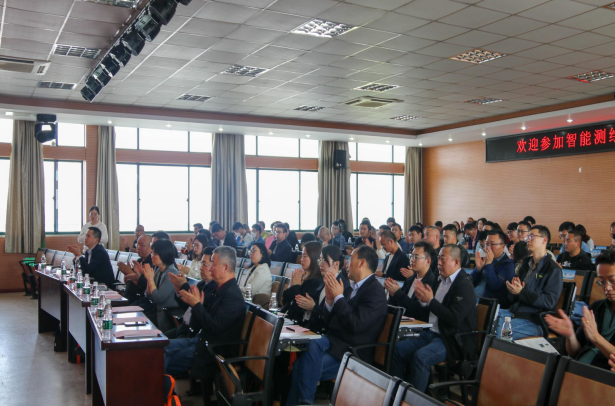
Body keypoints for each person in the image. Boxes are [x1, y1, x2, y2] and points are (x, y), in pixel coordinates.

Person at [286, 246, 388, 406]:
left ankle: (304, 403)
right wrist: (329, 301)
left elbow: (355, 325)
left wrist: (339, 297)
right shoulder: (352, 287)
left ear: (361, 263)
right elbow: (330, 322)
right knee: (310, 344)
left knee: (300, 366)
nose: (347, 263)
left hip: (352, 351)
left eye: (351, 259)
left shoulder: (375, 291)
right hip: (336, 342)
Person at [391, 244, 477, 393]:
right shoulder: (439, 280)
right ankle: (398, 393)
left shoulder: (464, 285)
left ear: (456, 262)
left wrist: (430, 301)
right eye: (439, 258)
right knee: (397, 349)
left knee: (421, 357)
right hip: (431, 333)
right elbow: (431, 309)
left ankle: (413, 400)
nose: (439, 263)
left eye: (443, 259)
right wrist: (424, 301)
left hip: (451, 339)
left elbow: (454, 319)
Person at [166, 246, 245, 406]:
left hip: (213, 350)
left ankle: (161, 397)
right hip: (200, 340)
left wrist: (197, 306)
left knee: (158, 359)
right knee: (160, 347)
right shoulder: (219, 289)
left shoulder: (232, 296)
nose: (210, 268)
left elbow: (214, 326)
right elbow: (198, 324)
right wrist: (196, 306)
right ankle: (164, 396)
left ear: (225, 267)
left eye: (213, 264)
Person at [545, 250, 615, 370]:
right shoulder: (596, 308)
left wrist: (596, 337)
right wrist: (570, 335)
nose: (607, 288)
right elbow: (575, 352)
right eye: (602, 282)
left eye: (612, 280)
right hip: (577, 369)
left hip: (602, 376)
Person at [496, 225, 563, 340]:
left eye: (532, 236)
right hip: (514, 312)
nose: (528, 240)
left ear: (544, 240)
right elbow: (514, 298)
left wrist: (521, 292)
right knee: (484, 321)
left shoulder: (553, 269)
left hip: (533, 320)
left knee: (499, 334)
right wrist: (513, 291)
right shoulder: (526, 265)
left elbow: (549, 301)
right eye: (528, 237)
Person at [296, 245, 350, 334]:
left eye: (324, 260)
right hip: (314, 329)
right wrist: (309, 308)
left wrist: (313, 308)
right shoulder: (324, 280)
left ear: (336, 264)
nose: (320, 264)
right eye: (320, 260)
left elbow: (335, 316)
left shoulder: (343, 286)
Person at [165, 247, 217, 340]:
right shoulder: (201, 284)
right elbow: (186, 308)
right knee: (158, 340)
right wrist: (179, 290)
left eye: (204, 264)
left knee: (160, 345)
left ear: (213, 266)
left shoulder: (215, 289)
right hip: (183, 327)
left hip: (192, 334)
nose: (201, 267)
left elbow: (200, 314)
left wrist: (184, 286)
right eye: (201, 263)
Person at [133, 239, 181, 332]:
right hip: (155, 311)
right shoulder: (159, 270)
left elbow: (158, 298)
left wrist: (150, 279)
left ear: (163, 254)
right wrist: (148, 279)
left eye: (154, 254)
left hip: (165, 317)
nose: (151, 256)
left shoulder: (172, 273)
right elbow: (148, 296)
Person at [385, 241, 436, 321]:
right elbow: (399, 305)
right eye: (412, 256)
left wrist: (398, 292)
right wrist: (393, 294)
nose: (412, 260)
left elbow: (417, 311)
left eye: (416, 257)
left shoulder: (431, 283)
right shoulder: (410, 279)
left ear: (428, 261)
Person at [471, 230, 515, 308]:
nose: (488, 247)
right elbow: (470, 282)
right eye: (487, 244)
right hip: (473, 298)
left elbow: (494, 285)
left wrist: (488, 264)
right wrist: (478, 269)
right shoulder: (485, 259)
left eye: (492, 244)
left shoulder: (508, 265)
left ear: (502, 247)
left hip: (487, 304)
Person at [282, 241, 323, 324]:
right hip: (288, 317)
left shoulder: (317, 281)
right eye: (301, 256)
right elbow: (285, 300)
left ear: (314, 257)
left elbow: (300, 309)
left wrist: (296, 286)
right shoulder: (302, 275)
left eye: (304, 256)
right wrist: (292, 285)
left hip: (300, 323)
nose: (301, 259)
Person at [118, 234, 153, 303]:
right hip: (128, 295)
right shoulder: (139, 261)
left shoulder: (152, 263)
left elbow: (147, 285)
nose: (138, 248)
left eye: (142, 245)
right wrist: (127, 274)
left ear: (151, 247)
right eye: (137, 245)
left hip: (139, 299)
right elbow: (128, 282)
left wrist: (130, 273)